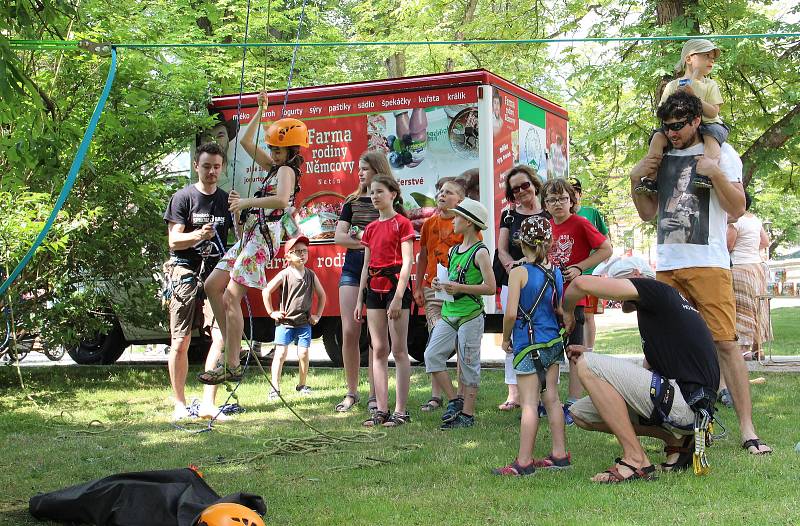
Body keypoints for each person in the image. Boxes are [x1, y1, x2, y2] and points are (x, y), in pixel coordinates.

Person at [630, 90, 772, 455]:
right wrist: (635, 181)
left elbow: (738, 208)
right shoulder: (660, 154)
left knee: (725, 343)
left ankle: (747, 430)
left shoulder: (722, 153)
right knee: (658, 348)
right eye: (667, 126)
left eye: (679, 125)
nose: (673, 132)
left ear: (697, 121)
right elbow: (648, 213)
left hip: (708, 262)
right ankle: (662, 424)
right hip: (668, 264)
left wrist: (715, 173)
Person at [563, 256, 720, 482]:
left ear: (636, 274)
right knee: (580, 414)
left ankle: (635, 459)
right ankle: (677, 440)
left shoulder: (654, 289)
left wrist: (567, 311)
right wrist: (590, 352)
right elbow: (644, 373)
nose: (616, 298)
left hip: (686, 404)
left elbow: (580, 284)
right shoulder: (658, 311)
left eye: (617, 282)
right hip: (687, 405)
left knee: (589, 365)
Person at [199, 91, 307, 385]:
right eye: (272, 149)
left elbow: (283, 200)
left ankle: (232, 362)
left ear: (292, 152)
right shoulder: (274, 167)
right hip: (249, 237)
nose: (274, 155)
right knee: (212, 286)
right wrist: (260, 110)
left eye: (279, 150)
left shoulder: (286, 171)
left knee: (232, 297)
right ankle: (234, 347)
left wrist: (246, 203)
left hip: (262, 241)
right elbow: (246, 141)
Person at [493, 216, 569, 476]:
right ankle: (560, 454)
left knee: (528, 403)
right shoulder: (556, 271)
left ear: (520, 242)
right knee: (553, 398)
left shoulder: (518, 272)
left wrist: (505, 338)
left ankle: (524, 461)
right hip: (552, 342)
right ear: (549, 242)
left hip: (528, 343)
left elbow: (511, 313)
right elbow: (559, 308)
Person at [162, 141, 233, 421]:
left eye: (217, 167)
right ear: (196, 166)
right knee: (181, 340)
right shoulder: (183, 198)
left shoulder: (227, 199)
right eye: (206, 166)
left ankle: (208, 403)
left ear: (222, 168)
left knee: (221, 337)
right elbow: (173, 240)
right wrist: (197, 236)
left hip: (215, 273)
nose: (212, 171)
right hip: (184, 270)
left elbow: (235, 237)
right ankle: (179, 403)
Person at [543, 178, 612, 422]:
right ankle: (549, 399)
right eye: (552, 200)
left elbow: (606, 248)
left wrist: (580, 268)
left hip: (574, 300)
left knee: (574, 351)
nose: (558, 204)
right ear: (546, 204)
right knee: (549, 349)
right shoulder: (546, 226)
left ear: (572, 201)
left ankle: (573, 403)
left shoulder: (581, 223)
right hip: (548, 299)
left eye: (563, 198)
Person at [424, 198, 495, 429]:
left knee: (468, 364)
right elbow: (452, 279)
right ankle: (455, 400)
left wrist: (461, 288)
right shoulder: (454, 250)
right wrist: (439, 283)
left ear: (468, 222)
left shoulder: (480, 252)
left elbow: (491, 287)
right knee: (432, 355)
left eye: (456, 217)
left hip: (470, 316)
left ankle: (467, 415)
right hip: (449, 313)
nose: (452, 220)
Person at [355, 174, 415, 427]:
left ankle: (401, 411)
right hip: (374, 290)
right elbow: (366, 266)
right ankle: (381, 409)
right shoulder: (370, 229)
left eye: (380, 191)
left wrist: (399, 296)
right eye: (371, 192)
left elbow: (407, 261)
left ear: (393, 194)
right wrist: (360, 299)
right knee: (378, 349)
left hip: (395, 290)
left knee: (399, 350)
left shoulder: (402, 224)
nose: (375, 196)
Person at [332, 151, 388, 413]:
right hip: (353, 268)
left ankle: (376, 394)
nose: (361, 173)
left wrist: (368, 242)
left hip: (381, 271)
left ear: (378, 170)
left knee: (377, 337)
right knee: (349, 331)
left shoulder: (388, 200)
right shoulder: (351, 202)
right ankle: (351, 392)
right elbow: (339, 238)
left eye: (366, 168)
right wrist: (366, 243)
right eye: (359, 169)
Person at [636, 39, 728, 194]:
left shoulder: (710, 85)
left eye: (712, 58)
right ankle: (651, 178)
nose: (711, 60)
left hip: (709, 124)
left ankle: (706, 173)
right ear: (689, 59)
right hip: (679, 125)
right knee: (657, 138)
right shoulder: (673, 85)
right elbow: (663, 111)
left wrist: (695, 97)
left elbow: (713, 112)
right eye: (706, 56)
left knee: (711, 138)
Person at [413, 178, 470, 413]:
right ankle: (436, 396)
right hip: (432, 288)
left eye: (448, 192)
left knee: (459, 341)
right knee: (435, 337)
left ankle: (461, 395)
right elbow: (422, 257)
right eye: (440, 191)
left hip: (456, 290)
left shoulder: (465, 226)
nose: (442, 195)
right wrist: (418, 287)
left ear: (461, 200)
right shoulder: (428, 224)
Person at [496, 165, 547, 412]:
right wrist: (511, 267)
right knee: (515, 335)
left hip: (542, 282)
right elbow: (502, 249)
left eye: (524, 185)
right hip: (513, 280)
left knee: (541, 333)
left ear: (534, 184)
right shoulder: (508, 215)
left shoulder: (548, 213)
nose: (520, 191)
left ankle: (541, 391)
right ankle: (513, 392)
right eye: (514, 189)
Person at [263, 236, 326, 399]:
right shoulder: (284, 274)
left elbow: (322, 295)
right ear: (288, 256)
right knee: (280, 354)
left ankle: (302, 385)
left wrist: (317, 315)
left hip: (304, 323)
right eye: (297, 251)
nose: (302, 254)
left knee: (303, 354)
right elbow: (266, 291)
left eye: (304, 251)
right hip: (285, 323)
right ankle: (274, 388)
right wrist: (271, 312)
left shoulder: (311, 275)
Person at [727, 192, 772, 362]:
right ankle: (757, 348)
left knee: (742, 308)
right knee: (758, 308)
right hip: (757, 267)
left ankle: (743, 349)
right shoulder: (755, 219)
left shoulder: (735, 221)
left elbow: (728, 245)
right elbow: (765, 242)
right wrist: (750, 248)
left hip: (740, 267)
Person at [569, 176, 610, 358]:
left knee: (588, 314)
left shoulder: (591, 213)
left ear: (580, 193)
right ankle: (573, 349)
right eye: (569, 192)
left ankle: (590, 352)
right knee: (572, 313)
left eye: (575, 191)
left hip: (590, 271)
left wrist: (601, 261)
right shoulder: (563, 215)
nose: (573, 195)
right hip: (570, 273)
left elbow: (605, 238)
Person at [660, 165, 700, 245]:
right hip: (666, 250)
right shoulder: (665, 199)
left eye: (688, 177)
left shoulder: (691, 200)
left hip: (685, 248)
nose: (686, 181)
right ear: (674, 178)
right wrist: (661, 223)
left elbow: (697, 228)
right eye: (682, 177)